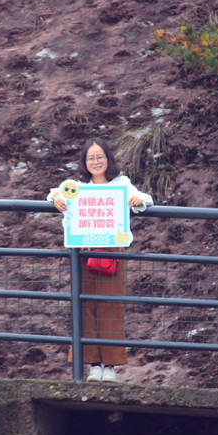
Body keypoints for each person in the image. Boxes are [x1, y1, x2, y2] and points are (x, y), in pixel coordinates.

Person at [47, 137, 153, 382]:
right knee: (86, 306)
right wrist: (55, 198)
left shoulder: (121, 183)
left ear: (108, 159)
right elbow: (56, 192)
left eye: (100, 157)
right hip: (84, 250)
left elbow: (144, 198)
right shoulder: (78, 187)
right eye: (91, 158)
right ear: (85, 162)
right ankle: (94, 365)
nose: (96, 161)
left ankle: (111, 367)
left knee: (111, 306)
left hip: (113, 251)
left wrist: (139, 199)